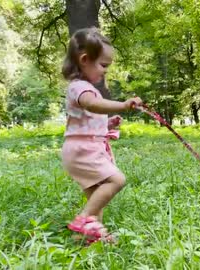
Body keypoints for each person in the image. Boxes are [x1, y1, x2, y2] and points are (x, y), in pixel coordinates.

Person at [61, 27, 142, 243]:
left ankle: (93, 237)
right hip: (83, 150)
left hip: (82, 149)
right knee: (117, 179)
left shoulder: (83, 87)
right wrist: (123, 105)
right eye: (103, 65)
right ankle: (84, 219)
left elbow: (88, 118)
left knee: (96, 197)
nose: (106, 71)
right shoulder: (80, 88)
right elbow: (93, 105)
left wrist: (106, 123)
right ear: (85, 59)